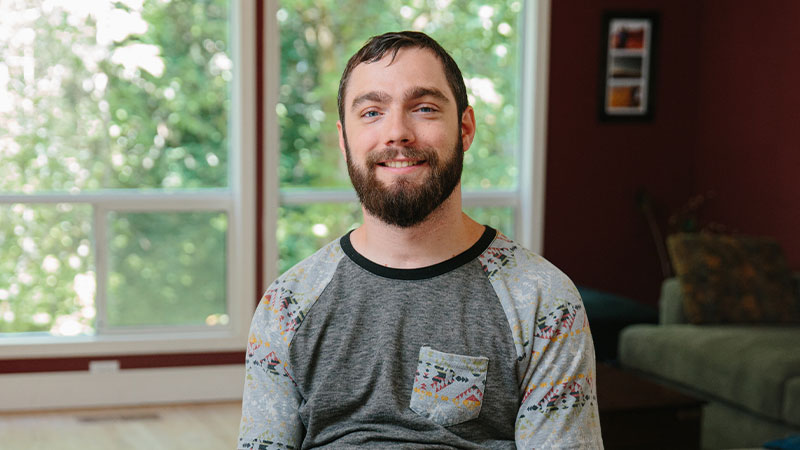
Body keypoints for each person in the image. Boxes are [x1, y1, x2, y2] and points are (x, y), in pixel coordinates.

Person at [238, 31, 603, 449]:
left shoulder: (542, 299)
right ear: (344, 140)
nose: (397, 133)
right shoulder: (288, 304)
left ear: (465, 129)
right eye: (372, 112)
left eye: (424, 108)